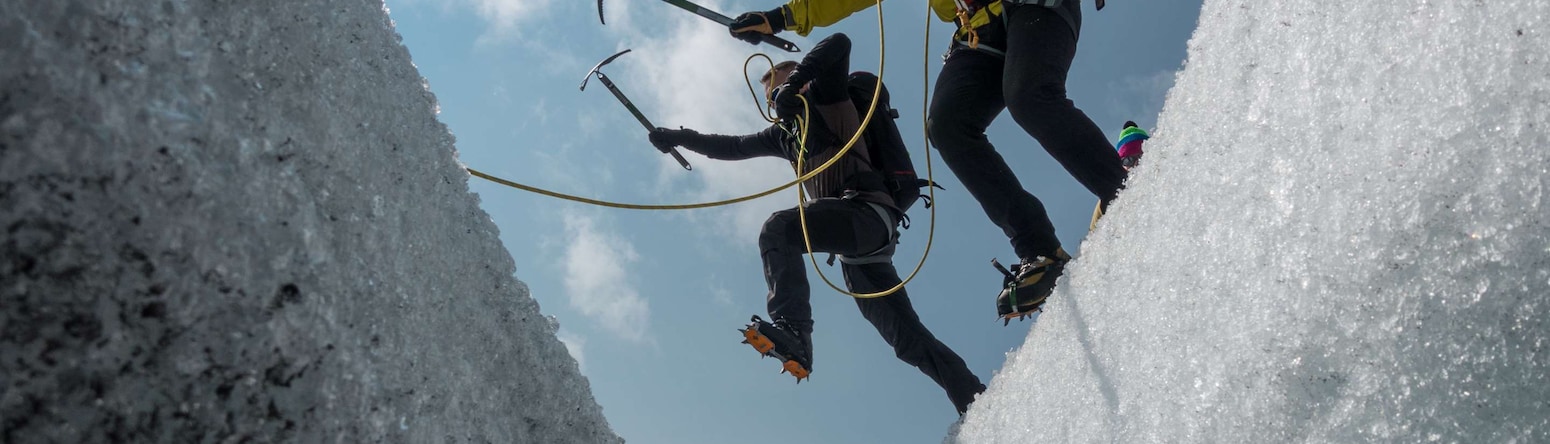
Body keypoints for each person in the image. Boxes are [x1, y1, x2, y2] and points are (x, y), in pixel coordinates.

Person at [648, 33, 986, 414]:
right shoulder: (785, 136)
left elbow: (840, 42)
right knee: (906, 339)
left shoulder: (827, 96)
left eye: (779, 93)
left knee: (778, 229)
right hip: (858, 250)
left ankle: (794, 331)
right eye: (771, 98)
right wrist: (679, 137)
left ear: (803, 82)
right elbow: (732, 146)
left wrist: (795, 84)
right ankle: (976, 399)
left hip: (865, 215)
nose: (776, 102)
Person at [727, 0, 1127, 323]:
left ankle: (1120, 186)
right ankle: (1040, 251)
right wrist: (779, 17)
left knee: (1029, 96)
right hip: (977, 32)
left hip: (1036, 6)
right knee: (947, 127)